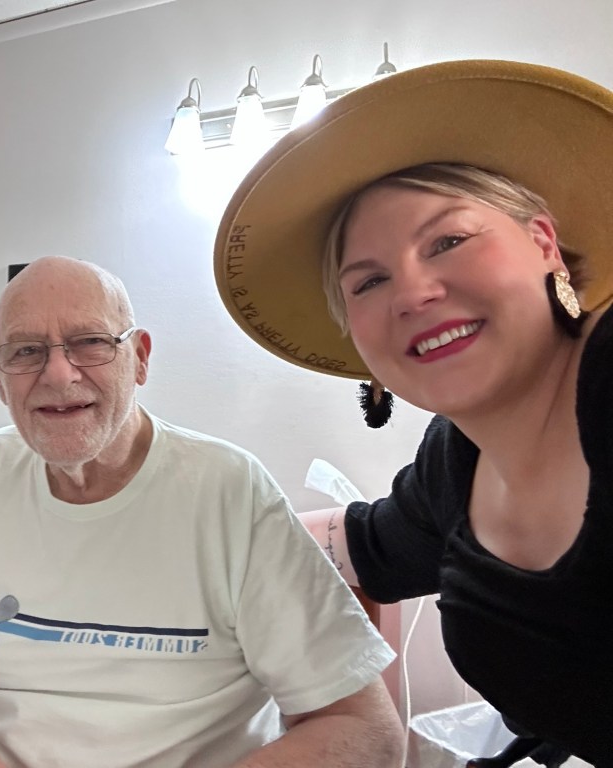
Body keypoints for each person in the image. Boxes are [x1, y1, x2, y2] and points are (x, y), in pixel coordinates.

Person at [0, 255, 403, 768]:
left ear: (139, 358)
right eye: (26, 351)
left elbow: (365, 728)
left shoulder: (229, 491)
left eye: (90, 342)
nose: (58, 374)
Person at [214, 59, 613, 766]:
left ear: (543, 244)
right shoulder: (453, 461)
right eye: (369, 281)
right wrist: (184, 534)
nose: (413, 292)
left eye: (448, 242)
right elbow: (365, 545)